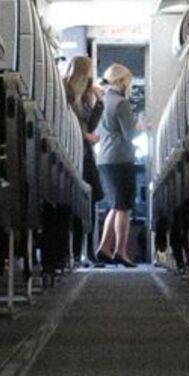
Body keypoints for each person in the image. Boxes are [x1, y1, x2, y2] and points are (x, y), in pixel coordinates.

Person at [93, 63, 146, 267]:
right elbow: (129, 134)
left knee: (114, 206)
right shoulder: (121, 103)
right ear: (122, 81)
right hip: (121, 159)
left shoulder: (102, 101)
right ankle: (121, 251)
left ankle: (104, 247)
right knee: (124, 207)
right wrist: (143, 126)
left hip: (105, 159)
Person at [64, 56, 104, 264]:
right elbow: (68, 122)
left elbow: (89, 124)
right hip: (74, 153)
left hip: (85, 154)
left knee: (91, 199)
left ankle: (87, 250)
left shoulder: (86, 94)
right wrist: (84, 136)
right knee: (80, 202)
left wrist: (99, 104)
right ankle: (77, 251)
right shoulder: (67, 92)